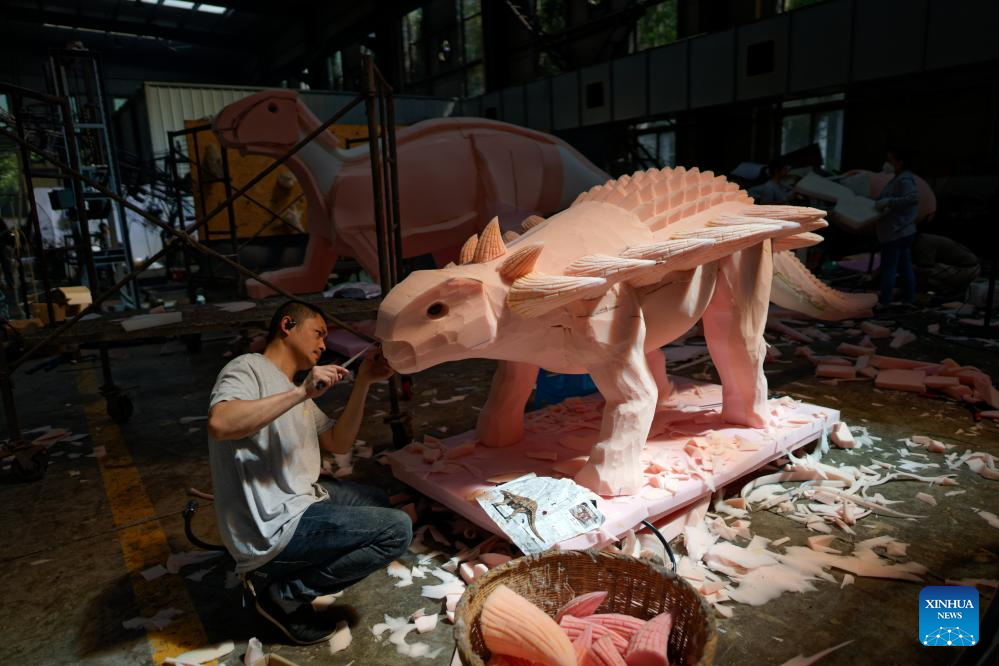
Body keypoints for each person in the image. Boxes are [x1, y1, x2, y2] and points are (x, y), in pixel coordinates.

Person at [206, 300, 410, 644]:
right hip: (271, 526)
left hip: (299, 503)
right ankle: (285, 593)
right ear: (288, 325)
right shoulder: (247, 368)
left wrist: (363, 382)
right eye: (319, 333)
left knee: (376, 499)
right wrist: (301, 391)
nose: (324, 345)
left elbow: (339, 442)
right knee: (397, 530)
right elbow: (220, 423)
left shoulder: (291, 389)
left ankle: (288, 570)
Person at [874, 147, 920, 307]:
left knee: (889, 268)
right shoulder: (897, 178)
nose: (887, 163)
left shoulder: (904, 179)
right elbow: (885, 198)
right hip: (902, 231)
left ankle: (885, 301)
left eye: (890, 160)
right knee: (905, 267)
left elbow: (912, 198)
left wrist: (889, 202)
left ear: (900, 162)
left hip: (897, 231)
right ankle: (909, 299)